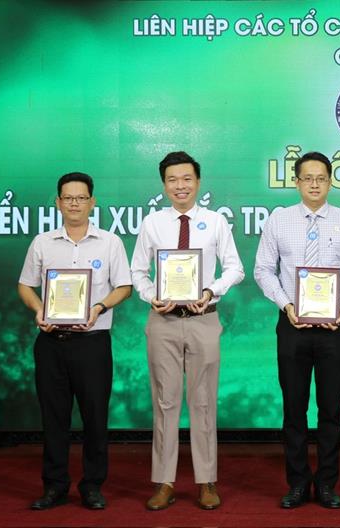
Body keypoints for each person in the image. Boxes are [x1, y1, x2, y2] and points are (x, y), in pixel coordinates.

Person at [254, 151, 340, 509]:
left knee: (331, 410)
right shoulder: (279, 220)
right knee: (294, 409)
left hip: (335, 326)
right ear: (297, 182)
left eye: (321, 178)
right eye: (307, 178)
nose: (314, 184)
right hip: (292, 325)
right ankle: (298, 484)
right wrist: (286, 304)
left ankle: (328, 484)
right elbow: (263, 269)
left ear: (330, 182)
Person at [131, 151, 244, 511]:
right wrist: (151, 295)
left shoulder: (215, 222)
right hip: (162, 321)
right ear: (164, 185)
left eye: (186, 179)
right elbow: (137, 272)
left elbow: (235, 268)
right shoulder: (152, 223)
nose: (180, 186)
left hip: (203, 320)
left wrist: (211, 290)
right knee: (165, 402)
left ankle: (206, 480)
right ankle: (164, 481)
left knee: (203, 402)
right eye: (172, 180)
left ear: (198, 182)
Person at [17, 172, 132, 510]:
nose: (74, 204)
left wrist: (99, 307)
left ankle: (92, 486)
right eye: (68, 198)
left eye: (81, 198)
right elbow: (25, 285)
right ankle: (54, 486)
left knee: (95, 417)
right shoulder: (42, 242)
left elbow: (124, 287)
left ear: (92, 202)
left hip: (92, 343)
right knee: (54, 418)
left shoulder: (110, 242)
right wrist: (39, 308)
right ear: (58, 203)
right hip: (51, 343)